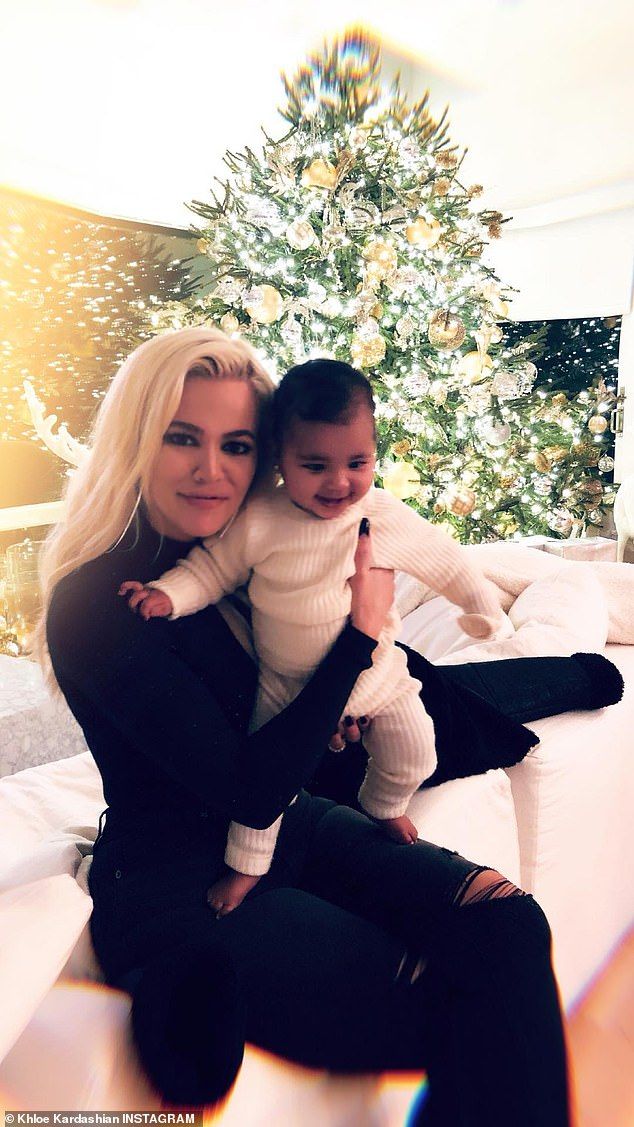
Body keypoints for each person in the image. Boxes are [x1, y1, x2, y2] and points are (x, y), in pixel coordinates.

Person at [39, 326, 574, 1125]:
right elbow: (246, 780)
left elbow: (280, 714)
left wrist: (340, 714)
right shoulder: (96, 602)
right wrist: (360, 636)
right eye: (183, 437)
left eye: (238, 443)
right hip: (179, 880)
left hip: (290, 825)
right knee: (449, 996)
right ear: (136, 440)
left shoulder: (242, 545)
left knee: (507, 924)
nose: (211, 468)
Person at [119, 359, 508, 917]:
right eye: (315, 465)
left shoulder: (376, 516)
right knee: (263, 794)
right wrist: (167, 596)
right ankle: (245, 870)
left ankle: (383, 804)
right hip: (285, 684)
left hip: (377, 673)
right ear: (280, 458)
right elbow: (212, 570)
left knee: (416, 751)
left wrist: (483, 614)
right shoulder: (260, 520)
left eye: (358, 462)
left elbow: (443, 558)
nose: (340, 482)